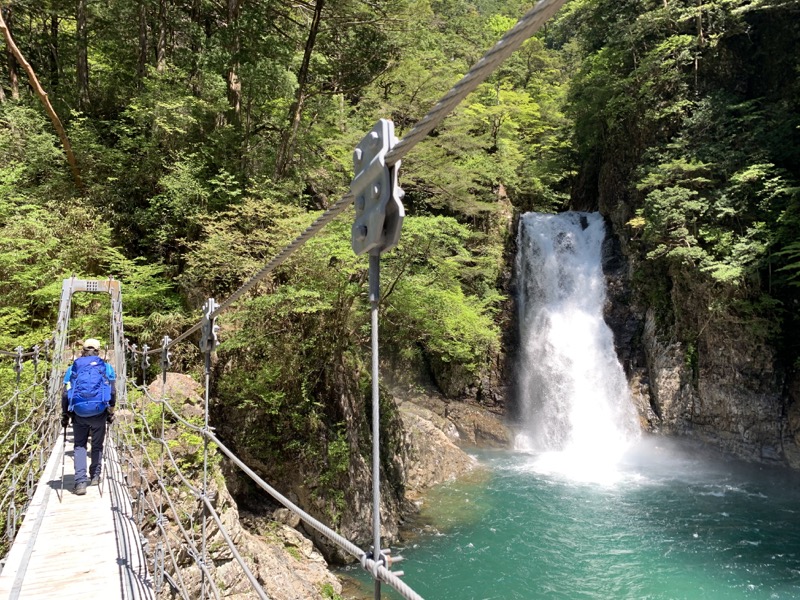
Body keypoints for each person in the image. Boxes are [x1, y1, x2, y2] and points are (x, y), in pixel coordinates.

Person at [61, 338, 116, 495]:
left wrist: (65, 414)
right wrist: (110, 410)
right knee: (97, 445)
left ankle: (80, 483)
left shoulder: (73, 367)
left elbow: (65, 393)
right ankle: (96, 476)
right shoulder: (106, 367)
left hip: (79, 413)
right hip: (99, 412)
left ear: (82, 351)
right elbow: (112, 391)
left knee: (79, 445)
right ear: (98, 351)